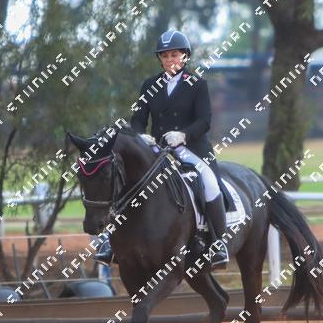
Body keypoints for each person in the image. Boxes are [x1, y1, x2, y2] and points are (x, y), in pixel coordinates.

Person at [93, 29, 230, 269]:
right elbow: (138, 119)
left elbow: (204, 121)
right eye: (165, 56)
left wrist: (183, 135)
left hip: (191, 147)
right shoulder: (150, 85)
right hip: (157, 147)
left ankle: (218, 244)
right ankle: (110, 242)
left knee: (209, 182)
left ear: (185, 56)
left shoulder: (197, 84)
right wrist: (141, 136)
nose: (169, 60)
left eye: (174, 55)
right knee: (125, 180)